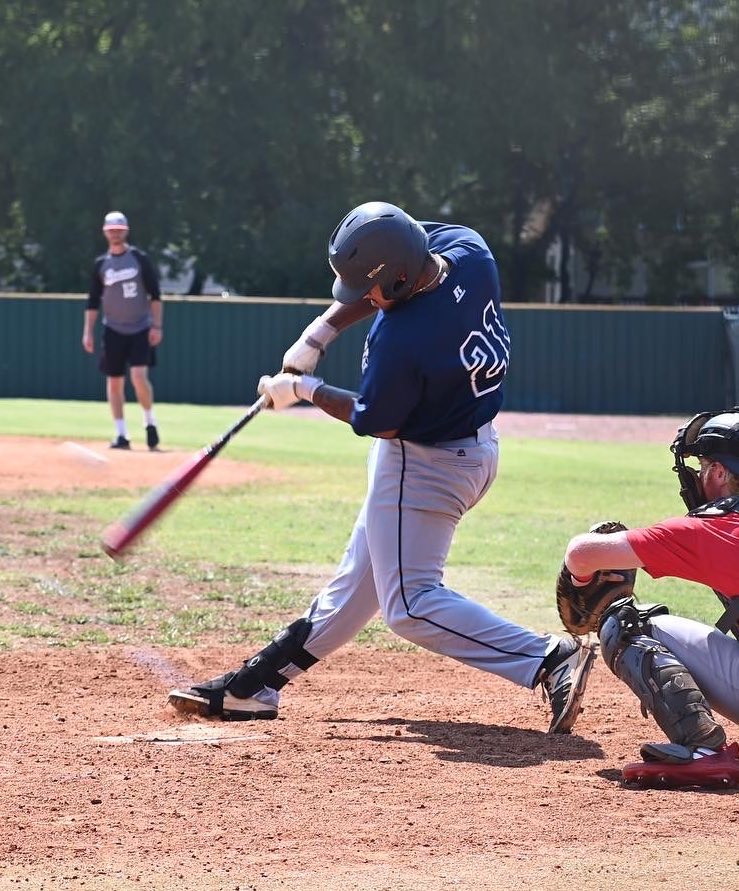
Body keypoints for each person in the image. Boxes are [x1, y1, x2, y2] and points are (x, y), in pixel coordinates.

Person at [168, 201, 595, 734]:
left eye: (368, 291)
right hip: (474, 449)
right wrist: (319, 333)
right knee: (356, 587)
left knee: (410, 606)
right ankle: (256, 686)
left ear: (396, 281)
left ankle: (548, 658)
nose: (361, 301)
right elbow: (402, 256)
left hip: (422, 465)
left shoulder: (401, 339)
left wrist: (303, 389)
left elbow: (379, 423)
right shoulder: (469, 251)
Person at [561, 408, 739, 787]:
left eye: (705, 464)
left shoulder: (714, 531)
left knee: (627, 623)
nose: (700, 474)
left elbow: (581, 553)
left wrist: (579, 581)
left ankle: (703, 749)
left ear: (721, 473)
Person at [82, 211, 163, 450]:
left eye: (119, 229)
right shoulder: (101, 264)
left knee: (139, 378)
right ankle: (121, 434)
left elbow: (155, 296)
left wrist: (157, 325)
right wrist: (88, 331)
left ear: (125, 231)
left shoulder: (139, 258)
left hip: (140, 327)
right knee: (114, 382)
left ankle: (150, 422)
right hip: (113, 330)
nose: (115, 233)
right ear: (105, 232)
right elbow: (93, 301)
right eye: (111, 230)